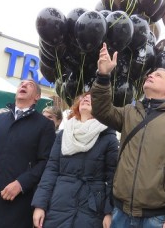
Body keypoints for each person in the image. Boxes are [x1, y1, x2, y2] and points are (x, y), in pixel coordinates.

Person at [91, 43, 165, 228]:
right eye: (150, 73)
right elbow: (101, 110)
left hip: (156, 218)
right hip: (120, 211)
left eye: (158, 75)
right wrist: (104, 76)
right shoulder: (129, 112)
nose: (150, 75)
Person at [0, 79, 56, 228]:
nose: (23, 85)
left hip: (17, 204)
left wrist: (21, 184)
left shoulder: (45, 125)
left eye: (29, 85)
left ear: (37, 97)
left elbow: (46, 162)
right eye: (21, 83)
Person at [32, 92, 119, 228]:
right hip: (59, 203)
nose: (86, 98)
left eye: (93, 97)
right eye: (84, 97)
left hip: (92, 209)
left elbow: (113, 177)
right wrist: (40, 205)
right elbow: (51, 170)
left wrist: (109, 212)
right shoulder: (63, 134)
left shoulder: (108, 137)